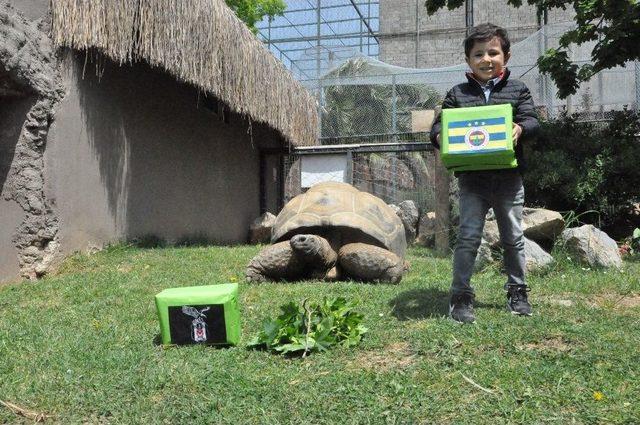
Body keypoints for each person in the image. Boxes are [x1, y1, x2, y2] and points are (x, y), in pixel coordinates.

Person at [430, 23, 540, 324]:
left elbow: (532, 120)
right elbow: (439, 126)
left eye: (493, 52)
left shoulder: (518, 89)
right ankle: (461, 296)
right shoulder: (457, 93)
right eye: (478, 54)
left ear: (506, 56)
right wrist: (440, 136)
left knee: (514, 238)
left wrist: (521, 127)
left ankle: (518, 291)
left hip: (508, 178)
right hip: (472, 181)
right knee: (467, 238)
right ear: (468, 61)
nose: (486, 59)